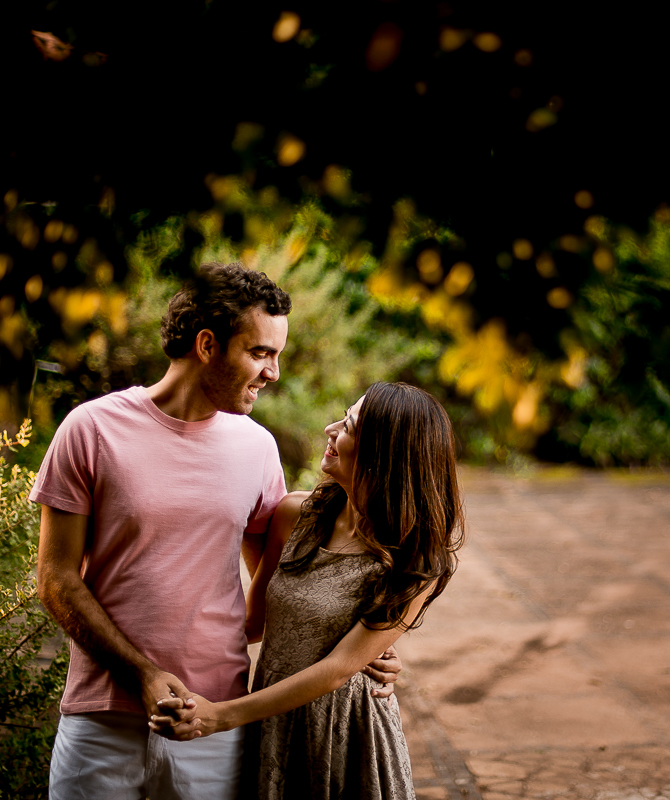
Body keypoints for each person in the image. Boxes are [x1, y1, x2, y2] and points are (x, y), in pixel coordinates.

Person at [31, 262, 400, 800]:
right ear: (207, 345)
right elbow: (55, 579)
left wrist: (364, 646)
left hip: (214, 718)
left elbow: (279, 593)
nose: (273, 373)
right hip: (101, 718)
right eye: (261, 353)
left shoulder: (257, 448)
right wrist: (141, 673)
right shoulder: (91, 429)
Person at [149, 382, 464, 800]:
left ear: (384, 455)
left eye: (348, 426)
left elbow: (337, 670)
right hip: (272, 717)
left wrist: (219, 717)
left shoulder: (415, 561)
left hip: (346, 730)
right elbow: (254, 623)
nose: (330, 429)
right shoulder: (296, 515)